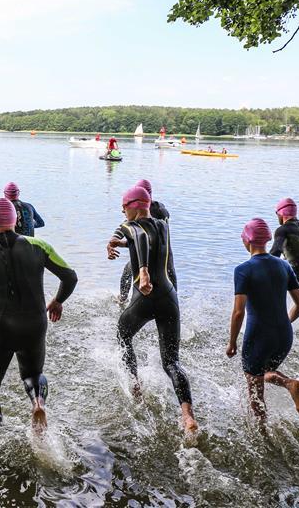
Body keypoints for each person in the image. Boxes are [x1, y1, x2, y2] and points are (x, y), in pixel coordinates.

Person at [0, 199, 77, 430]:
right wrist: (58, 301)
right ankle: (37, 402)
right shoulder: (40, 246)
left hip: (1, 328)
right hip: (35, 324)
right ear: (15, 222)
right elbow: (70, 277)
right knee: (33, 374)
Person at [106, 186, 197, 432]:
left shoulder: (132, 227)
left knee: (123, 335)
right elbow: (142, 238)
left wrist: (142, 270)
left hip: (145, 298)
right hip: (169, 298)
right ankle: (188, 416)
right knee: (172, 362)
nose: (122, 212)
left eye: (123, 207)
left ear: (133, 206)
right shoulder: (163, 226)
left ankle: (135, 386)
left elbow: (138, 236)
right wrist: (120, 243)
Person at [226, 218, 299, 422]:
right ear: (267, 239)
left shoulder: (243, 270)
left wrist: (232, 342)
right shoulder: (284, 265)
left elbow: (239, 313)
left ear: (246, 241)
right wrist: (284, 324)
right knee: (265, 372)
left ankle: (262, 432)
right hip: (284, 335)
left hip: (259, 336)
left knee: (255, 390)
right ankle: (290, 384)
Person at [115, 179, 177, 304]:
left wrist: (118, 240)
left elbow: (134, 230)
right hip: (165, 256)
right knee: (170, 283)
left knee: (130, 273)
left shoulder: (150, 212)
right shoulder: (160, 208)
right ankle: (173, 304)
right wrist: (117, 239)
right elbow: (128, 226)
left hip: (151, 256)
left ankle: (123, 300)